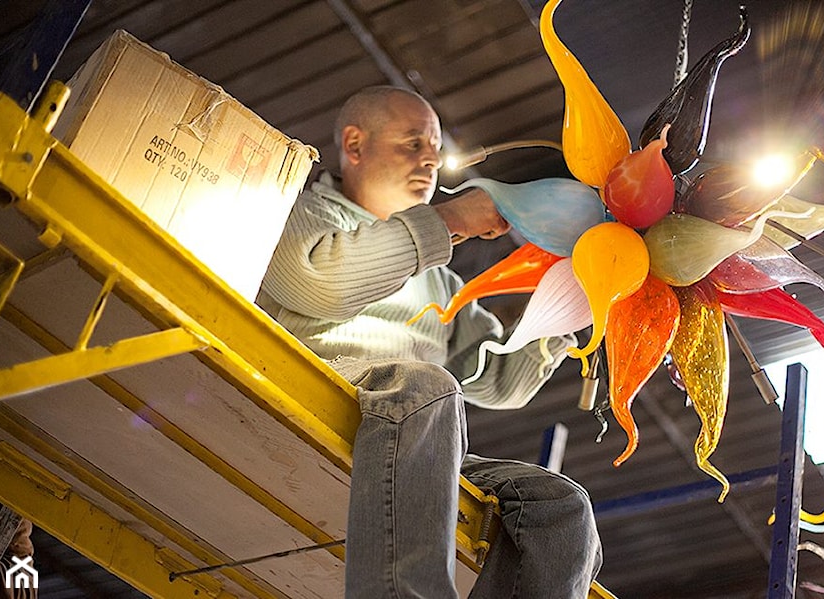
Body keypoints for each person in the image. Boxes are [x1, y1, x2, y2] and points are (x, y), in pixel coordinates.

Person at [257, 85, 601, 598]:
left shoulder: (441, 283)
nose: (431, 160)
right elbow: (318, 283)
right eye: (413, 143)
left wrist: (567, 298)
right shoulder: (308, 212)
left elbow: (498, 382)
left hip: (419, 434)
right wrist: (450, 220)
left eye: (435, 149)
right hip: (318, 395)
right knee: (426, 386)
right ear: (354, 146)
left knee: (560, 507)